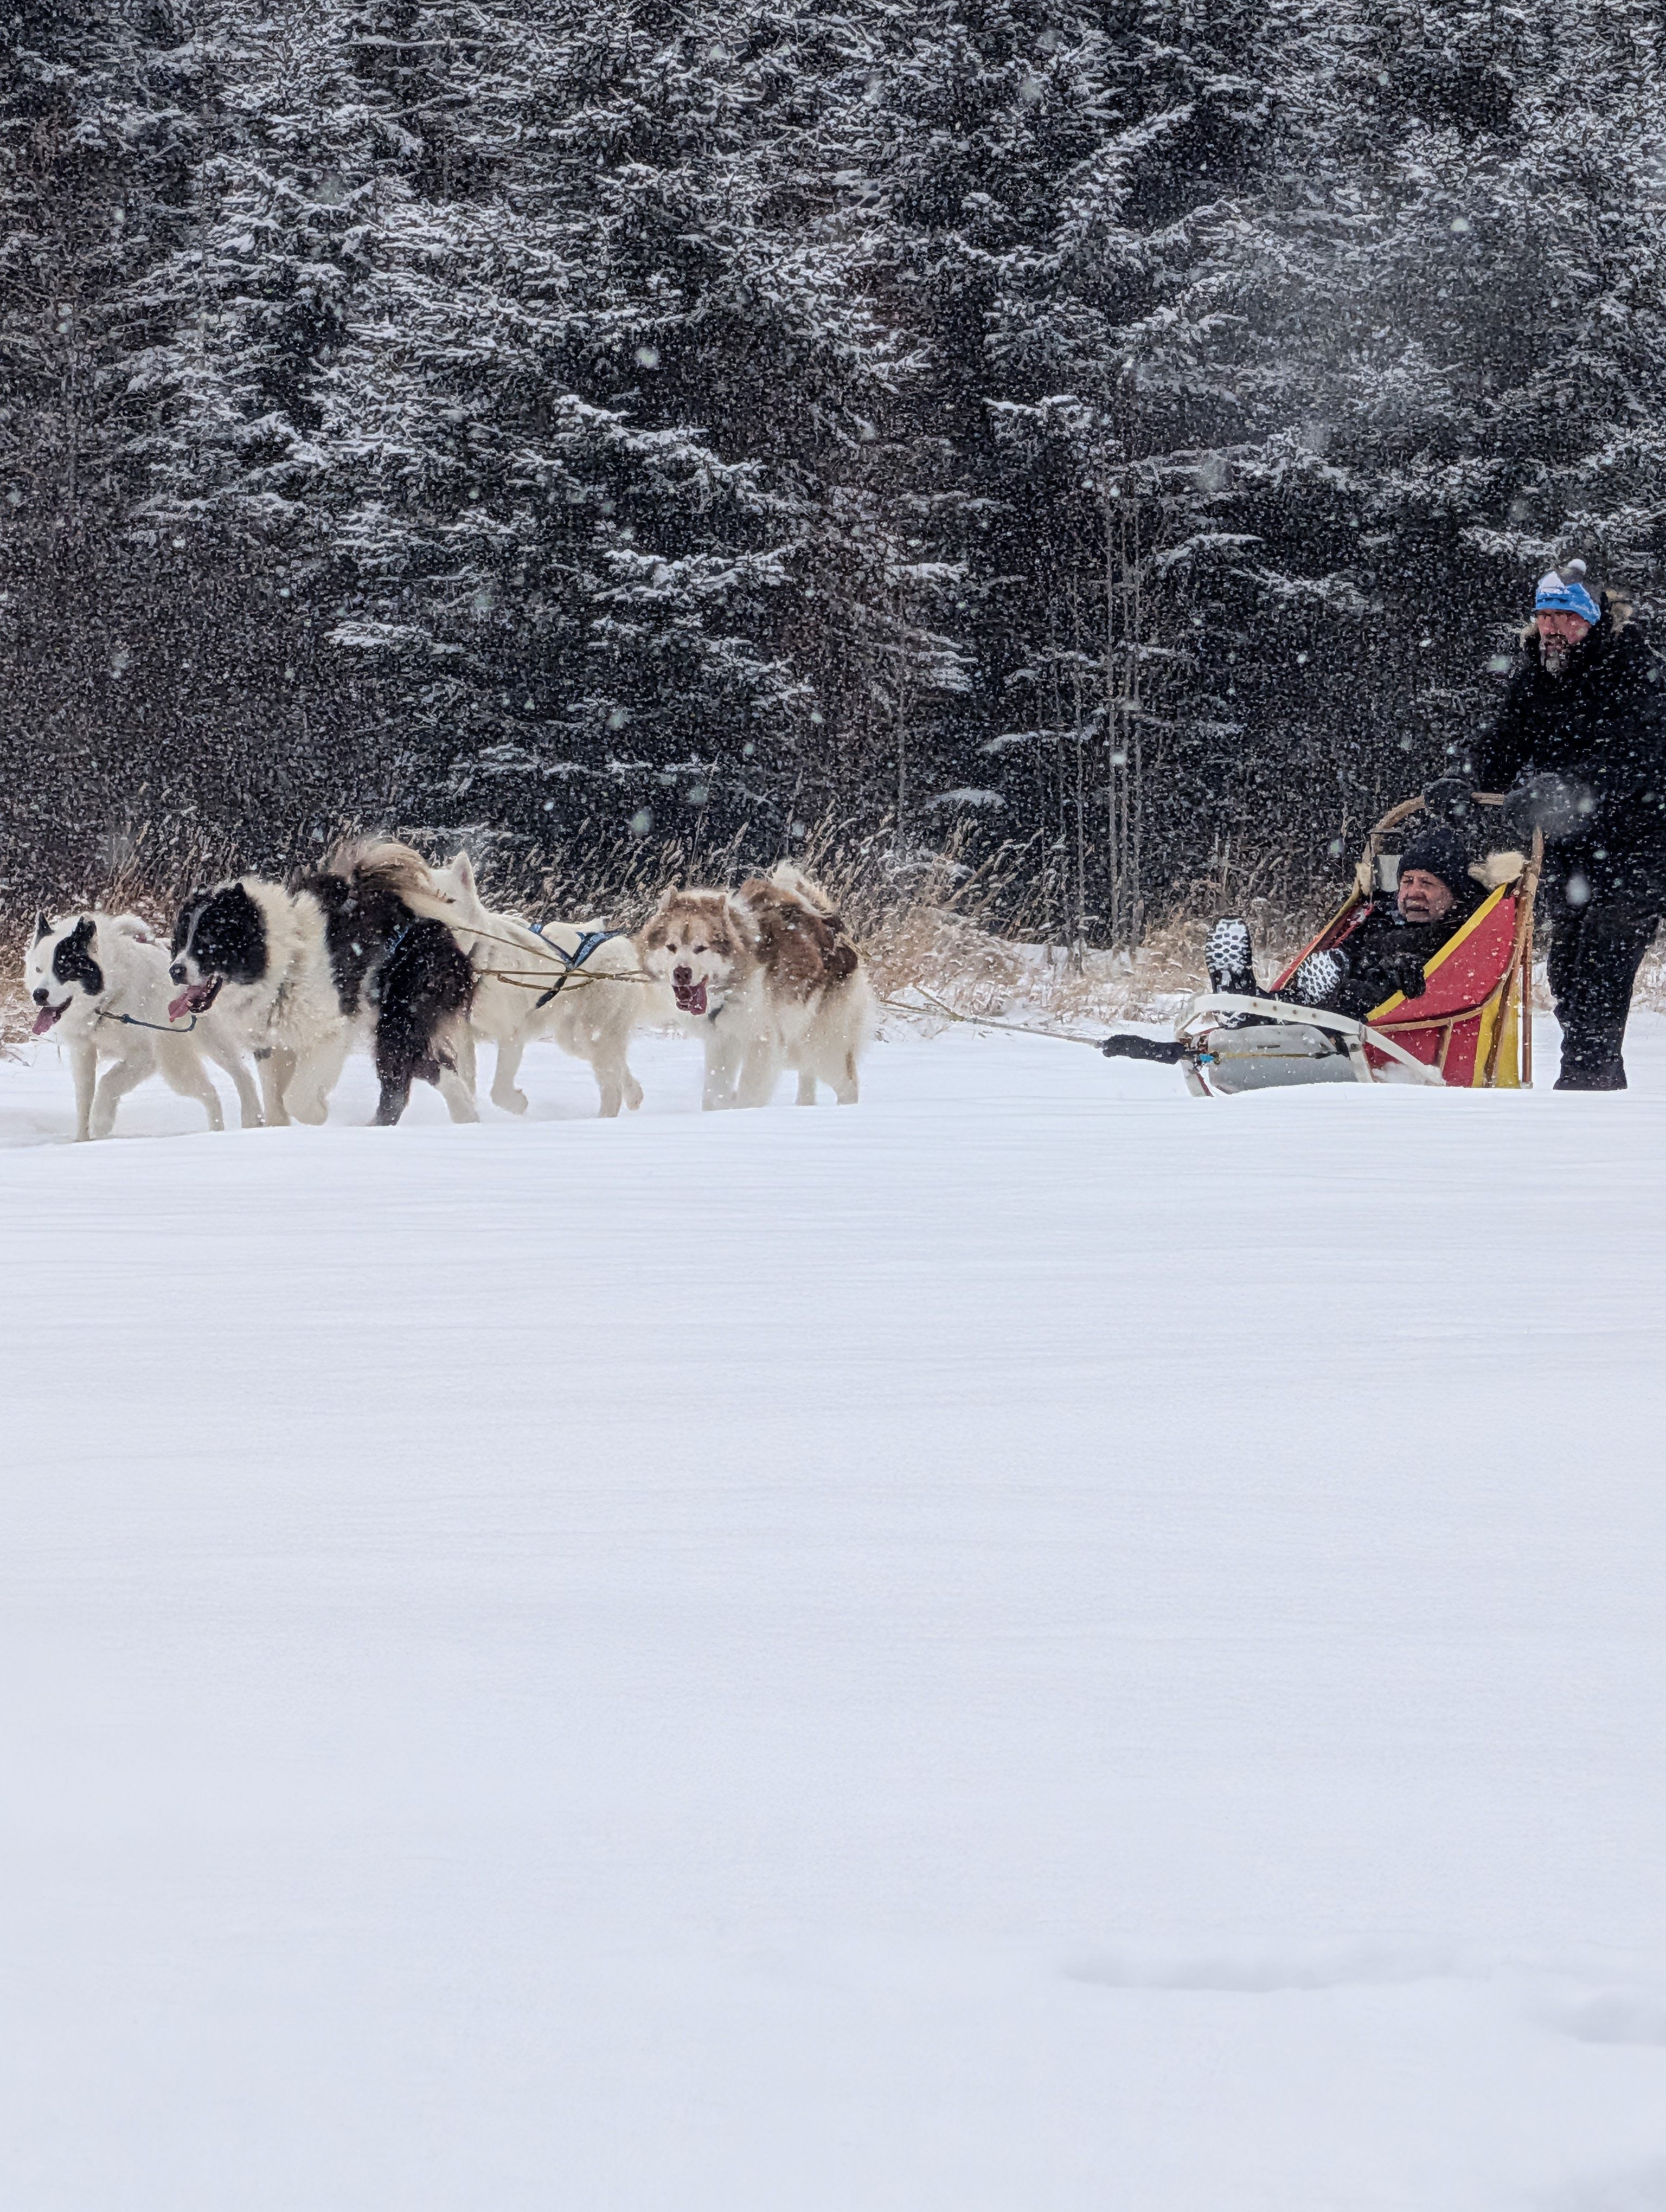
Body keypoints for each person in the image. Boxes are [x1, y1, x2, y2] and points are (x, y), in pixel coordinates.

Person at [1425, 560, 1666, 1090]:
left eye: (1565, 618)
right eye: (1544, 616)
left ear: (1593, 620)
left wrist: (1574, 789)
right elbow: (1500, 742)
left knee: (1605, 956)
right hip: (1573, 851)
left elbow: (1643, 760)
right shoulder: (1537, 672)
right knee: (1568, 971)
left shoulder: (1635, 668)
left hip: (1644, 845)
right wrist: (1461, 781)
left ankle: (1586, 1081)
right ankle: (1595, 1089)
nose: (1552, 629)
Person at [1099, 827, 1481, 1062]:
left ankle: (1273, 1009)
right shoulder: (1374, 919)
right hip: (1339, 996)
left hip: (1388, 1012)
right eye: (1408, 881)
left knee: (1340, 993)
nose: (1412, 892)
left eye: (1427, 884)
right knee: (1308, 990)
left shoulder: (1462, 930)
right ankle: (1243, 1001)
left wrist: (1397, 968)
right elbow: (1340, 956)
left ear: (1453, 893)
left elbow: (1451, 980)